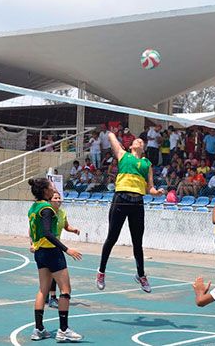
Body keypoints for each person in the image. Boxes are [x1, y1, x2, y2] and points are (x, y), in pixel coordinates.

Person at [96, 127, 165, 293]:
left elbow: (150, 188)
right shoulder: (122, 155)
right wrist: (113, 132)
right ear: (131, 146)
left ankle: (141, 275)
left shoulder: (147, 164)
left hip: (137, 202)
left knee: (137, 243)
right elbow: (112, 138)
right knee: (112, 237)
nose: (140, 141)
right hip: (121, 200)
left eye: (142, 141)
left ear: (144, 148)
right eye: (137, 140)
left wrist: (157, 193)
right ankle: (101, 272)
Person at [28, 177, 83, 342]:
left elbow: (35, 231)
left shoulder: (33, 207)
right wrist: (67, 249)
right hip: (52, 252)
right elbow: (46, 232)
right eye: (51, 186)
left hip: (40, 253)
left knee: (42, 290)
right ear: (46, 191)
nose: (54, 188)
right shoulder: (46, 209)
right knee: (65, 290)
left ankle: (38, 329)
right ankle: (63, 330)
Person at [47, 190, 81, 309]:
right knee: (53, 272)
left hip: (56, 245)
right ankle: (52, 297)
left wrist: (73, 230)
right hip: (45, 246)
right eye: (55, 198)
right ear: (50, 200)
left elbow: (66, 226)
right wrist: (32, 243)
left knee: (52, 272)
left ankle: (49, 295)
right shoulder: (47, 212)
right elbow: (34, 229)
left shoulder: (62, 213)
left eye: (59, 198)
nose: (58, 200)